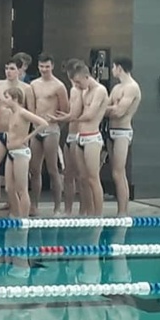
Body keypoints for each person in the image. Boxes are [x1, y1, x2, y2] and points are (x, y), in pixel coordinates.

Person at [54, 62, 109, 216]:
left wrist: (74, 119)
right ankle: (88, 213)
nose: (77, 85)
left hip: (92, 138)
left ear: (87, 76)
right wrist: (64, 117)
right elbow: (75, 113)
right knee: (82, 179)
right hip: (80, 138)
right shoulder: (83, 91)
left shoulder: (100, 91)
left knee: (93, 178)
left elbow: (90, 115)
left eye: (78, 82)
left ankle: (98, 215)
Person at [0, 57, 35, 214]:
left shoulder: (26, 88)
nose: (8, 72)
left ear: (19, 70)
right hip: (1, 133)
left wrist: (27, 137)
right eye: (6, 68)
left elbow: (31, 113)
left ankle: (21, 211)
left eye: (11, 68)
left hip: (17, 137)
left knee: (20, 181)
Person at [29, 53, 69, 216]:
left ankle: (57, 207)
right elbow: (31, 108)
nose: (44, 69)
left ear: (52, 66)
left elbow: (65, 111)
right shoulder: (33, 84)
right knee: (34, 169)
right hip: (37, 129)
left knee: (53, 169)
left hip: (51, 130)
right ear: (38, 66)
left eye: (47, 66)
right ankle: (34, 206)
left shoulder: (58, 86)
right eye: (41, 66)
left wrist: (56, 124)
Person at [2, 87, 49, 217]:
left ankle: (24, 218)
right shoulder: (11, 114)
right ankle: (16, 214)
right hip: (10, 152)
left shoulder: (23, 113)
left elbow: (43, 123)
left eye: (7, 97)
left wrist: (28, 137)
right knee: (9, 188)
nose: (4, 100)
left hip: (21, 153)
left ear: (15, 99)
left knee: (21, 189)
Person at [105, 57, 142, 216]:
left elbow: (119, 112)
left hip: (122, 132)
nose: (112, 70)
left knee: (119, 173)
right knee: (114, 172)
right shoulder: (116, 88)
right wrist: (110, 108)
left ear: (119, 68)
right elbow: (107, 107)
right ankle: (121, 211)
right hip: (111, 131)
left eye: (113, 67)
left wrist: (107, 108)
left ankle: (123, 212)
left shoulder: (132, 88)